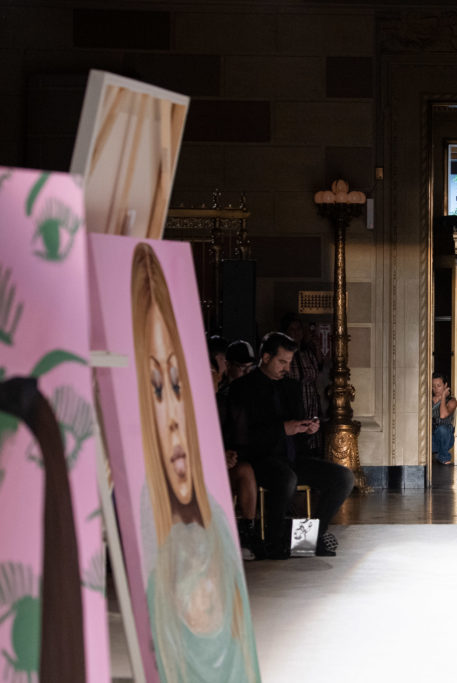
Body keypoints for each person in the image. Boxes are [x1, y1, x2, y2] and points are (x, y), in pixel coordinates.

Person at [131, 243, 259, 681]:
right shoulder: (145, 510)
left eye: (176, 382)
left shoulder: (210, 515)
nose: (171, 415)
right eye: (155, 387)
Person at [225, 331, 354, 558]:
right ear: (265, 358)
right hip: (260, 459)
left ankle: (308, 539)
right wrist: (282, 429)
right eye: (282, 362)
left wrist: (307, 429)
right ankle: (275, 543)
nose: (286, 368)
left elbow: (297, 428)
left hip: (292, 458)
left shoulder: (291, 387)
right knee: (286, 478)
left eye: (289, 362)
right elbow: (242, 436)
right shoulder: (243, 388)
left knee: (343, 477)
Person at [218, 340, 260, 560]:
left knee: (246, 470)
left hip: (246, 456)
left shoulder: (255, 394)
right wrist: (221, 453)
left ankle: (248, 532)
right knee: (244, 471)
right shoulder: (221, 395)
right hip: (219, 457)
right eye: (241, 368)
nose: (245, 373)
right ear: (228, 365)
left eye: (249, 368)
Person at [282, 313, 325, 455]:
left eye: (298, 329)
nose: (296, 333)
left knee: (311, 440)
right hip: (292, 405)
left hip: (310, 402)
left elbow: (318, 369)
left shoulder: (308, 354)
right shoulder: (284, 356)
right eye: (291, 329)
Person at [431, 372, 457, 464]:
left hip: (445, 438)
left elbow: (443, 415)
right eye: (433, 386)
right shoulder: (427, 400)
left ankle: (444, 456)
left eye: (439, 386)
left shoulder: (452, 401)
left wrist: (443, 397)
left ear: (445, 385)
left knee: (442, 429)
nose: (436, 389)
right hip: (431, 439)